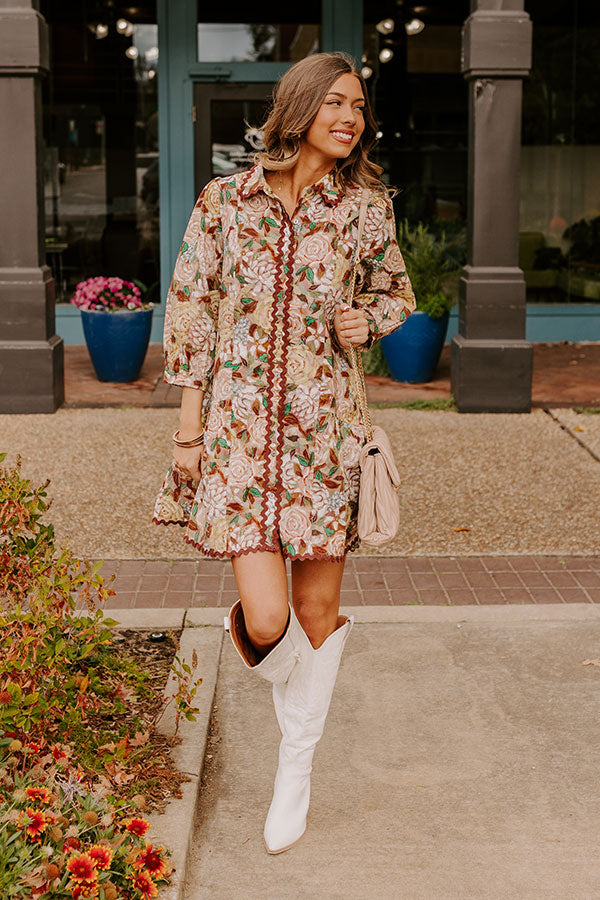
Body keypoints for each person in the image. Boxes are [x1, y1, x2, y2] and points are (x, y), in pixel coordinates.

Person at [153, 51, 415, 854]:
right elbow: (192, 308)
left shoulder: (366, 208)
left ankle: (293, 770)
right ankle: (300, 709)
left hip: (324, 438)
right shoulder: (224, 201)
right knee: (267, 619)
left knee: (314, 615)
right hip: (236, 441)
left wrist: (365, 324)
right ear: (298, 108)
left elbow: (397, 293)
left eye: (359, 107)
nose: (351, 117)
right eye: (336, 102)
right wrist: (189, 430)